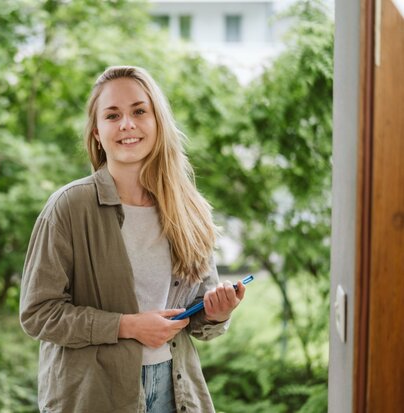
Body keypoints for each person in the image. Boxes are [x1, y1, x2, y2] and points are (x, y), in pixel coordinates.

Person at [19, 66, 246, 413]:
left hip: (176, 392)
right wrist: (126, 326)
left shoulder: (190, 208)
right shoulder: (68, 208)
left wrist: (218, 312)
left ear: (157, 121)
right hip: (93, 397)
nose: (127, 124)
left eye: (139, 111)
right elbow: (37, 314)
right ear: (97, 132)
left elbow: (199, 322)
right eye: (113, 115)